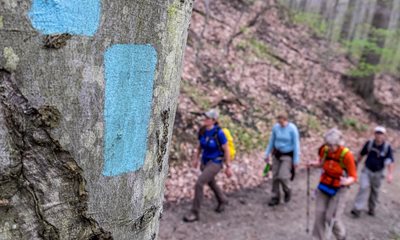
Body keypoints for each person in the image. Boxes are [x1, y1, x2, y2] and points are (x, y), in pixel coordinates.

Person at [183, 109, 232, 222]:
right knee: (211, 182)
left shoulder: (219, 133)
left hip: (216, 162)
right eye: (205, 117)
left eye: (208, 118)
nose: (205, 119)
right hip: (204, 162)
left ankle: (195, 212)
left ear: (214, 120)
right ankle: (222, 199)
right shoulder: (203, 131)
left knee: (199, 183)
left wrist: (228, 166)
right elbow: (200, 146)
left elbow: (226, 149)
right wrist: (195, 159)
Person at [309, 128, 357, 240]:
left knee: (331, 217)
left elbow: (353, 176)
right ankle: (318, 238)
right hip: (324, 184)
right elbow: (321, 163)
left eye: (331, 145)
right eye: (327, 144)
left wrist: (347, 181)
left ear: (338, 144)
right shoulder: (324, 150)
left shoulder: (347, 155)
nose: (329, 148)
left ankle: (341, 236)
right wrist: (313, 164)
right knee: (319, 214)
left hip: (340, 188)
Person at [351, 126, 394, 218]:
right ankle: (357, 209)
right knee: (363, 187)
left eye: (381, 134)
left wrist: (390, 174)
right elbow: (361, 154)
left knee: (375, 191)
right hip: (367, 170)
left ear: (384, 135)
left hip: (378, 172)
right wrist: (355, 165)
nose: (379, 135)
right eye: (377, 133)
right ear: (374, 134)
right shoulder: (369, 144)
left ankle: (372, 208)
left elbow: (390, 160)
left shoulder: (387, 147)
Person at [263, 112, 300, 206]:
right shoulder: (276, 128)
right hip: (277, 154)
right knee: (275, 176)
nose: (280, 124)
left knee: (283, 176)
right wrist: (266, 153)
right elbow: (271, 141)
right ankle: (275, 197)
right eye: (279, 122)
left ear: (286, 120)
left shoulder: (292, 129)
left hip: (287, 154)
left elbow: (296, 145)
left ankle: (287, 190)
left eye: (282, 122)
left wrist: (296, 159)